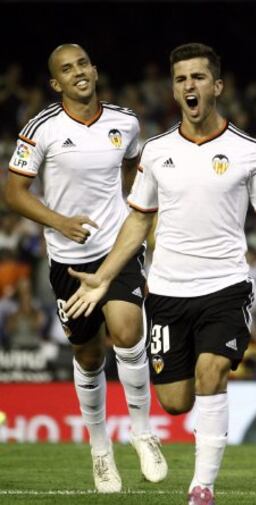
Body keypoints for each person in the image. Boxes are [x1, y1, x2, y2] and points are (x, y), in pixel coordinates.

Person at [64, 43, 256, 505]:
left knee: (211, 373)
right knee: (176, 402)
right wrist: (103, 276)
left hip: (226, 287)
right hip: (167, 292)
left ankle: (202, 488)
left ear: (217, 86)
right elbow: (138, 219)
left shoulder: (248, 151)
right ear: (174, 91)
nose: (189, 86)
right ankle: (188, 436)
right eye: (181, 80)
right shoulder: (156, 153)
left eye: (198, 78)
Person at [5, 43, 167, 493]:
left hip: (118, 250)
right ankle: (100, 450)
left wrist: (140, 222)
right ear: (56, 83)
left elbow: (138, 171)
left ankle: (142, 432)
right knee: (88, 354)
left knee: (128, 328)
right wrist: (60, 222)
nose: (77, 72)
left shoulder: (126, 121)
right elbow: (13, 194)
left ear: (94, 70)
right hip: (68, 260)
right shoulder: (41, 130)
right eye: (66, 69)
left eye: (82, 64)